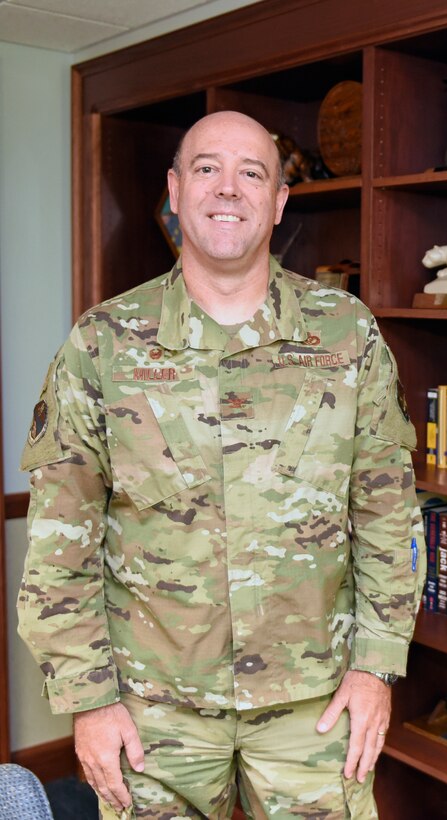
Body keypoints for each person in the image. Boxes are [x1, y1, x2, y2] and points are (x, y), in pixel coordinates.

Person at [17, 110, 424, 819]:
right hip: (151, 711)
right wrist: (88, 699)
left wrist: (375, 666)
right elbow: (61, 540)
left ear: (279, 202)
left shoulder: (345, 332)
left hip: (314, 703)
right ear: (175, 191)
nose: (228, 188)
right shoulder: (103, 343)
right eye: (207, 168)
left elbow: (387, 512)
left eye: (251, 173)